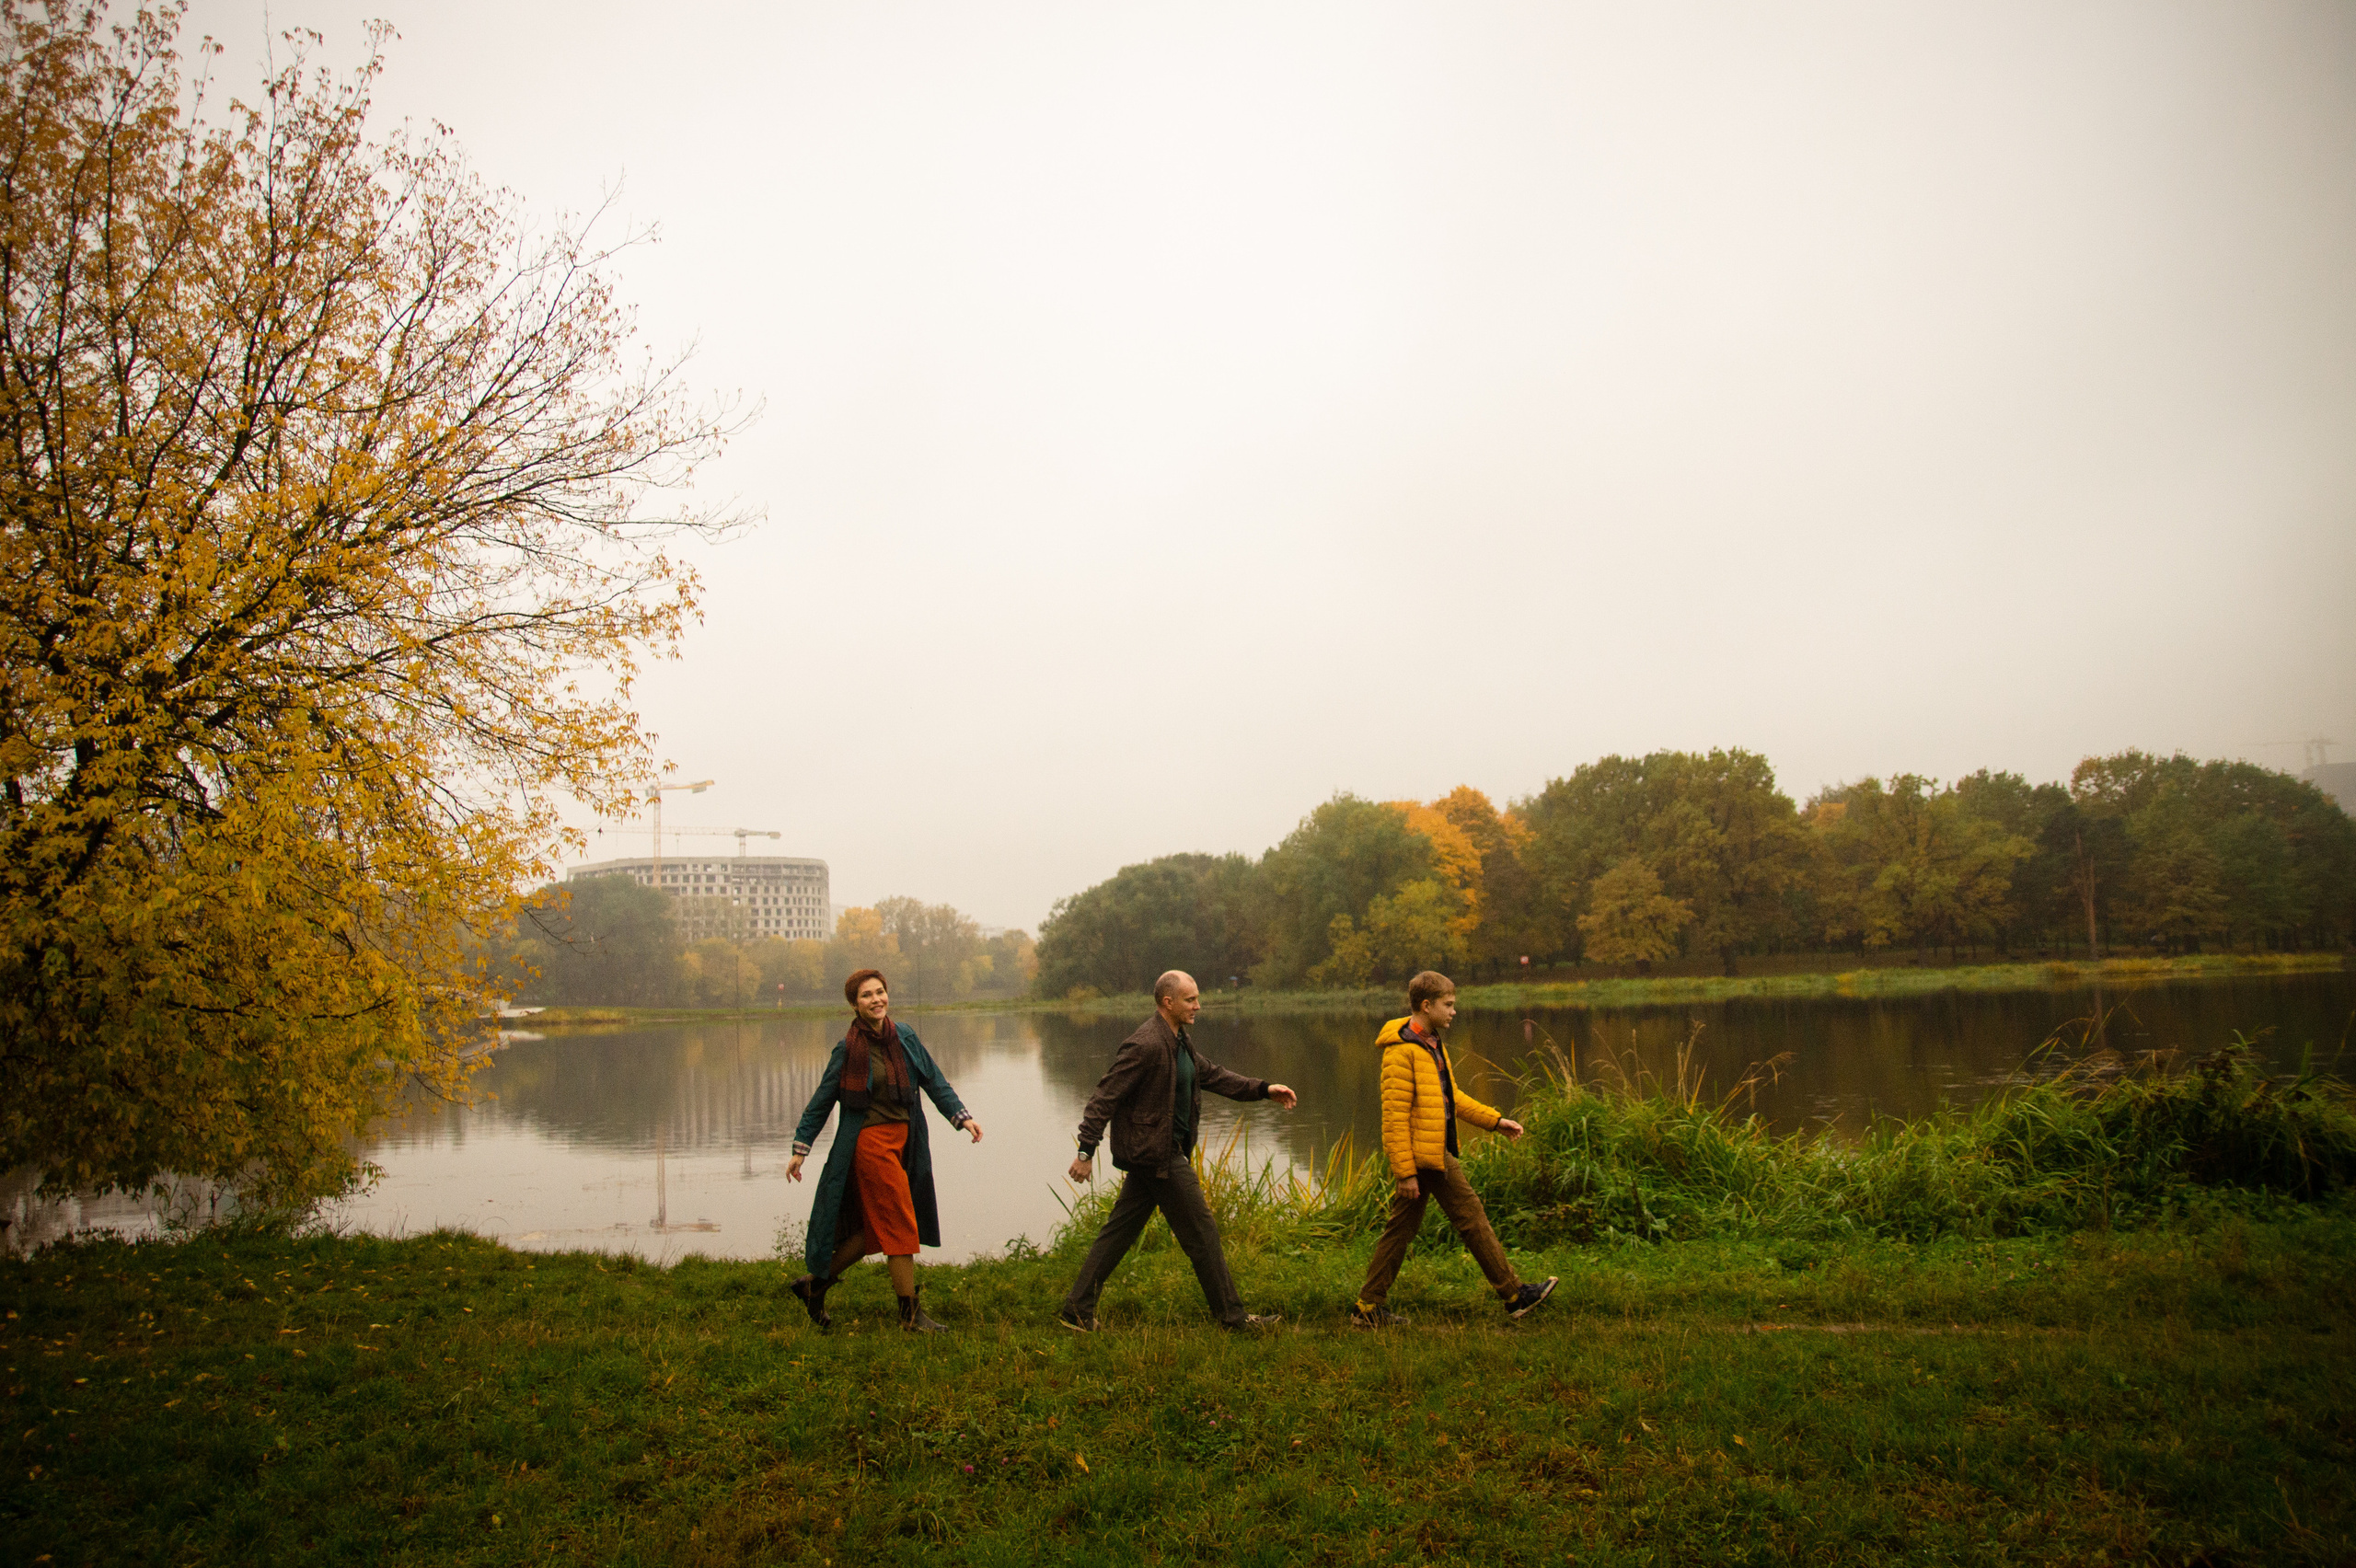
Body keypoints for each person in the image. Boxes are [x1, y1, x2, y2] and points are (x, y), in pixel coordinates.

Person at [1057, 970, 1298, 1332]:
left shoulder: (1179, 1040)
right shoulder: (1146, 1044)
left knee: (1119, 1233)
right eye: (1190, 999)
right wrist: (1086, 1151)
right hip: (1158, 1157)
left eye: (1197, 998)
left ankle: (1077, 1308)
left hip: (1152, 1155)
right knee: (1203, 1233)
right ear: (1167, 1002)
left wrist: (1263, 1089)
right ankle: (1233, 1319)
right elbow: (1104, 1097)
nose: (1198, 1005)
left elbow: (1212, 1075)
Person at [1349, 970, 1556, 1328]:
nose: (1453, 1012)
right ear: (1426, 1005)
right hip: (1425, 1157)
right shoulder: (1401, 1053)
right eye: (1448, 1005)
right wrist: (1405, 1173)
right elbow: (1394, 1118)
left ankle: (1367, 1308)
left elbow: (1451, 1097)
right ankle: (1514, 1295)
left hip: (1431, 1151)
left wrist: (1495, 1121)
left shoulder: (1431, 1043)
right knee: (1471, 1216)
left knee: (1400, 1230)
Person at [787, 968, 982, 1332]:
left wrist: (962, 1117)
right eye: (866, 995)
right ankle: (910, 1316)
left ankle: (814, 1286)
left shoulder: (904, 1036)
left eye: (880, 992)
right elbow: (822, 1100)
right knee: (901, 1223)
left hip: (905, 1141)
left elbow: (933, 1079)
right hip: (870, 1143)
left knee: (875, 1230)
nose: (876, 1000)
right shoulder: (847, 1049)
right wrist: (801, 1148)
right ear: (854, 1004)